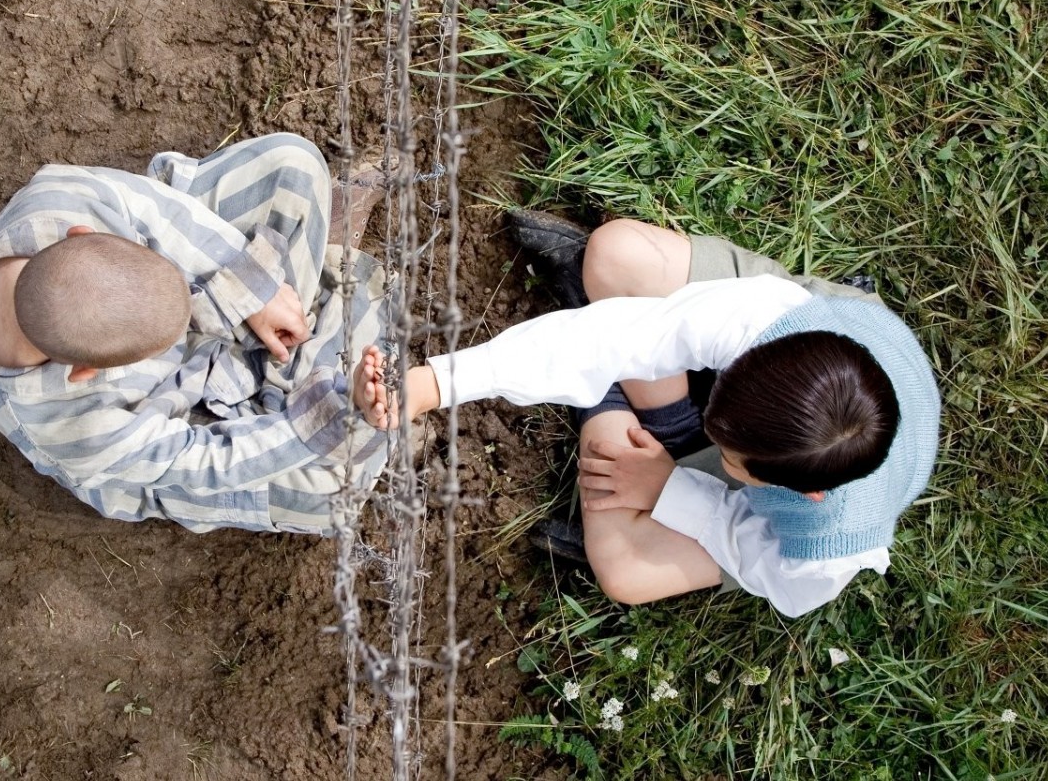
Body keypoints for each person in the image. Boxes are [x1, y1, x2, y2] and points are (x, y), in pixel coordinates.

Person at [363, 214, 939, 617]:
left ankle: (622, 408)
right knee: (616, 256)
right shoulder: (766, 320)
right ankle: (653, 418)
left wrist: (670, 489)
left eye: (735, 462)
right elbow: (625, 337)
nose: (729, 456)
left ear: (803, 494)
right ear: (759, 356)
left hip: (789, 480)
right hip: (812, 350)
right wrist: (431, 383)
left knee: (625, 573)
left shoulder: (826, 546)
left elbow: (758, 560)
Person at [0, 133, 398, 535]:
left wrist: (252, 290)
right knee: (333, 495)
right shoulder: (75, 428)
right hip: (171, 421)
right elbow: (202, 461)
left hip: (202, 292)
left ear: (81, 234)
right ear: (86, 372)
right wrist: (315, 425)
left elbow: (164, 216)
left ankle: (288, 362)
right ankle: (302, 383)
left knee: (294, 164)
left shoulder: (59, 197)